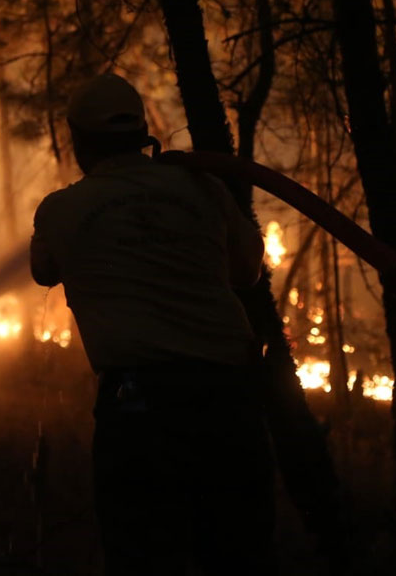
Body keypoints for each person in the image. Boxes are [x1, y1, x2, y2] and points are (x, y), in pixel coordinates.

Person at [29, 74, 273, 575]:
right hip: (229, 399)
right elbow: (247, 270)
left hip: (139, 409)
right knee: (236, 554)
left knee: (144, 556)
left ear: (79, 141)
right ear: (144, 132)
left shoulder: (61, 210)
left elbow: (43, 270)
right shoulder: (201, 186)